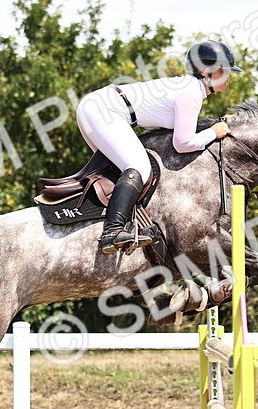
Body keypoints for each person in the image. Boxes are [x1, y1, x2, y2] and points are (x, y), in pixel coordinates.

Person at [75, 39, 242, 254]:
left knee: (122, 171)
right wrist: (213, 132)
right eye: (224, 70)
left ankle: (121, 226)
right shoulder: (191, 93)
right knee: (139, 167)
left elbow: (181, 131)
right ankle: (112, 232)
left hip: (98, 107)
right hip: (105, 111)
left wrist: (212, 126)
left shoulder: (188, 88)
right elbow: (182, 144)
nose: (229, 76)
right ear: (206, 72)